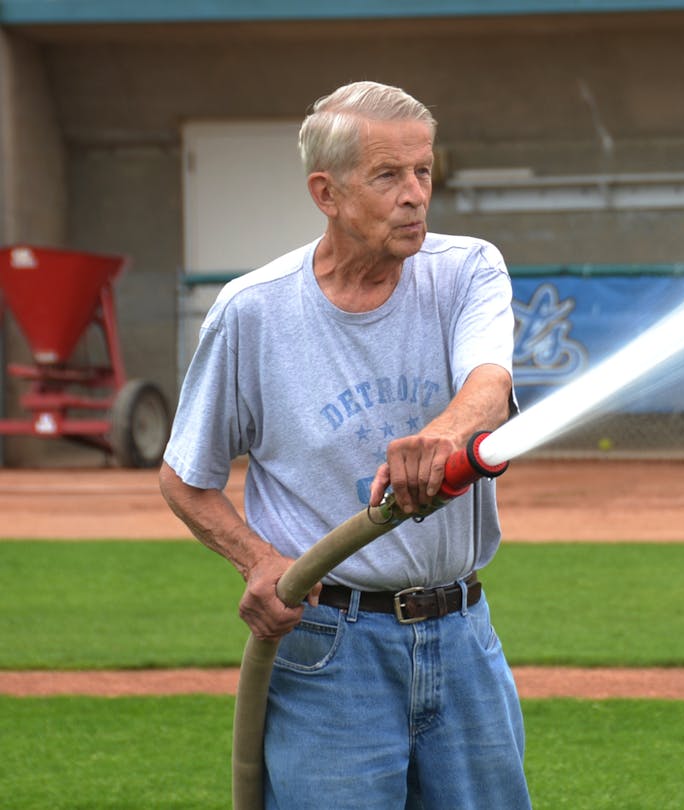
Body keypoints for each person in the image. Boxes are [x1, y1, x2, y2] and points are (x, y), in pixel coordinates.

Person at [159, 81, 531, 808]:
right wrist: (260, 562)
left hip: (463, 637)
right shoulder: (252, 313)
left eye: (423, 172)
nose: (415, 194)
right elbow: (184, 479)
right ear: (326, 194)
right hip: (329, 647)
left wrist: (442, 436)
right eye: (388, 175)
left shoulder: (467, 269)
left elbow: (489, 383)